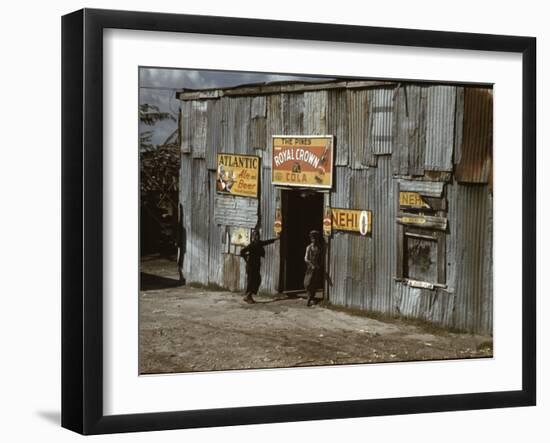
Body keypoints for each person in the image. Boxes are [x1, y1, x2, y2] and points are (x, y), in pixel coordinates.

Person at [240, 230, 278, 304]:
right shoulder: (252, 245)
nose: (257, 236)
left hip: (256, 266)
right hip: (251, 266)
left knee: (257, 280)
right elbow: (242, 252)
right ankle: (248, 296)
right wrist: (246, 259)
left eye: (257, 235)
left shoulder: (259, 243)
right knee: (252, 281)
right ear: (253, 237)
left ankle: (249, 296)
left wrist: (275, 239)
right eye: (255, 235)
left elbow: (267, 242)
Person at [304, 230, 324, 307]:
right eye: (313, 238)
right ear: (311, 239)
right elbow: (305, 258)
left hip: (316, 267)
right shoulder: (308, 247)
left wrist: (319, 265)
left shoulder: (319, 248)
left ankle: (311, 298)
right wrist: (310, 264)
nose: (314, 240)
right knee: (307, 283)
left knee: (314, 283)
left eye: (315, 238)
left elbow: (321, 258)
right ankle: (309, 296)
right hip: (309, 267)